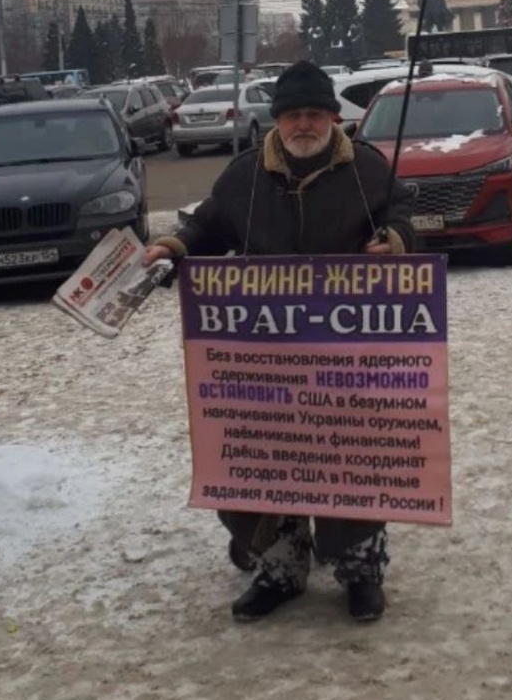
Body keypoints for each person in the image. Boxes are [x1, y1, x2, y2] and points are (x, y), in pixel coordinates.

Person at [143, 61, 416, 623]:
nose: (304, 124)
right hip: (264, 356)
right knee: (265, 458)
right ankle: (280, 567)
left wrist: (394, 240)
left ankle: (360, 570)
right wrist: (175, 246)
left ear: (333, 117)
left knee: (349, 457)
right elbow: (209, 227)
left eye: (315, 113)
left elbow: (406, 218)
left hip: (347, 354)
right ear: (277, 120)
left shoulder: (367, 169)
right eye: (293, 115)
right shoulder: (244, 175)